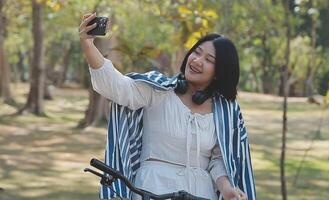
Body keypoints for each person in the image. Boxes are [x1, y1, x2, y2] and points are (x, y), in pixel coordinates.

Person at [79, 13, 256, 200]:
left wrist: (227, 189)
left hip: (201, 193)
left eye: (209, 60)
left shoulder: (225, 112)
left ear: (220, 72)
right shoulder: (158, 90)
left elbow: (219, 160)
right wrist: (88, 44)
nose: (197, 61)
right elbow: (116, 86)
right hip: (152, 189)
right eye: (196, 52)